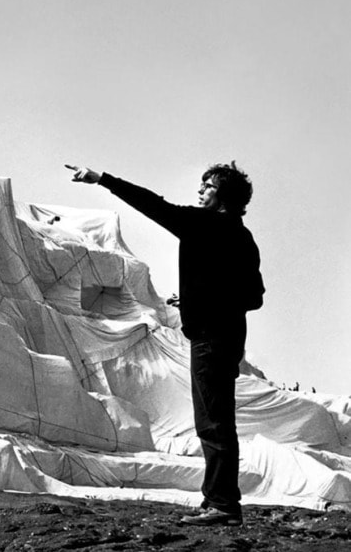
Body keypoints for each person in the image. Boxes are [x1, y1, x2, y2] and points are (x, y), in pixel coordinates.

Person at [66, 161, 264, 527]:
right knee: (216, 419)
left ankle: (223, 505)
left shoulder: (202, 224)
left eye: (208, 185)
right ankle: (217, 499)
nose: (201, 190)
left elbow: (152, 204)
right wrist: (196, 298)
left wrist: (103, 178)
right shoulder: (242, 236)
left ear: (223, 195)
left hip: (209, 338)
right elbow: (254, 296)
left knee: (213, 422)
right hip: (228, 337)